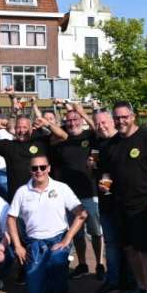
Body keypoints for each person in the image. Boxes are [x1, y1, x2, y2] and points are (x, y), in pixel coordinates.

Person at [100, 101, 147, 293]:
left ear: (133, 116)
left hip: (145, 206)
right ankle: (140, 287)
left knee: (146, 251)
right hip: (120, 206)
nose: (121, 121)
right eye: (117, 118)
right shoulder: (111, 145)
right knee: (129, 249)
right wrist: (105, 184)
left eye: (124, 117)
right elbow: (106, 173)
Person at [7, 154, 87, 293]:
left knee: (57, 258)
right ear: (30, 170)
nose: (39, 171)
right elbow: (11, 218)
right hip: (35, 243)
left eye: (42, 167)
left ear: (49, 168)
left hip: (58, 239)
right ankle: (49, 278)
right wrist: (18, 246)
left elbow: (82, 214)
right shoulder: (22, 191)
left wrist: (67, 239)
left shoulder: (61, 188)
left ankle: (61, 291)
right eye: (35, 168)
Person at [52, 102, 104, 280]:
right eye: (69, 120)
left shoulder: (90, 136)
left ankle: (99, 264)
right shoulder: (61, 140)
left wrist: (83, 112)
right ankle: (82, 264)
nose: (72, 123)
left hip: (90, 191)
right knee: (78, 234)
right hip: (70, 196)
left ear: (81, 120)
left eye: (75, 119)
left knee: (96, 231)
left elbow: (98, 130)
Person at [90, 108, 123, 293]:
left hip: (123, 201)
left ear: (112, 121)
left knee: (127, 244)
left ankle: (129, 281)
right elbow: (95, 165)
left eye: (104, 122)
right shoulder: (97, 143)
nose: (101, 126)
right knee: (110, 242)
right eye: (97, 123)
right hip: (106, 201)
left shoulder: (122, 140)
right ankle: (113, 281)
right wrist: (91, 165)